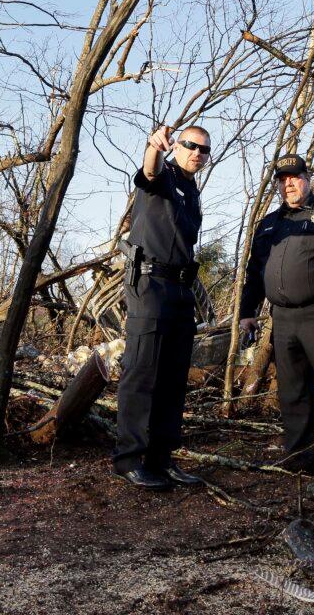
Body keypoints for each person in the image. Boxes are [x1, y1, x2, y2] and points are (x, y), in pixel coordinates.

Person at [237, 154, 314, 474]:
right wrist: (247, 312)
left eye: (294, 177)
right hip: (282, 319)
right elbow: (255, 271)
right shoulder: (268, 224)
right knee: (292, 393)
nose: (288, 183)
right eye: (282, 179)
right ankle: (301, 461)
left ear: (307, 178)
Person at [113, 124, 210, 490]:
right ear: (176, 147)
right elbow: (148, 171)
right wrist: (153, 146)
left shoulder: (191, 188)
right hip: (149, 285)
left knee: (173, 377)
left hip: (181, 288)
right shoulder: (164, 175)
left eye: (204, 150)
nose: (197, 153)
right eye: (190, 146)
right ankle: (128, 460)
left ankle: (162, 459)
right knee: (142, 372)